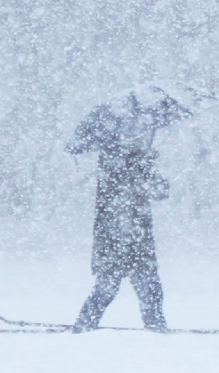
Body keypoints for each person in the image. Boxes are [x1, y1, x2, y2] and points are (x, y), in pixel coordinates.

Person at [71, 111, 172, 333]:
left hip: (136, 237)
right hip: (114, 238)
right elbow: (129, 189)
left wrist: (148, 167)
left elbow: (160, 191)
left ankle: (156, 327)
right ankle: (83, 327)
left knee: (150, 289)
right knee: (107, 289)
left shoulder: (138, 161)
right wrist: (143, 169)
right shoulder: (112, 161)